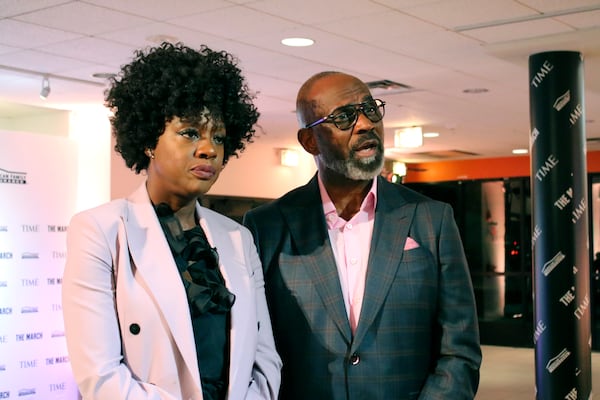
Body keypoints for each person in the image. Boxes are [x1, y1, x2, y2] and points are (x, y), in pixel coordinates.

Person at [62, 42, 281, 400]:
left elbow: (264, 359)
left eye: (220, 138)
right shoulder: (101, 231)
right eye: (190, 132)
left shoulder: (238, 238)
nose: (209, 149)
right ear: (149, 139)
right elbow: (100, 377)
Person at [243, 71, 481, 399]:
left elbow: (459, 349)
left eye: (371, 110)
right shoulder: (266, 227)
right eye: (344, 117)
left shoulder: (431, 219)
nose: (366, 124)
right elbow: (253, 349)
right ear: (309, 141)